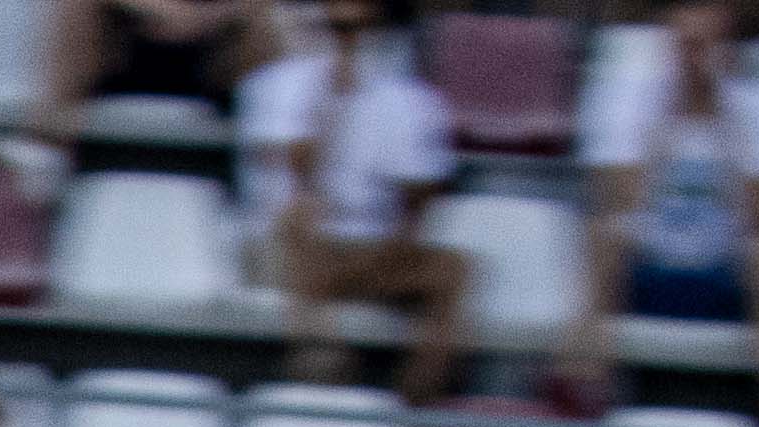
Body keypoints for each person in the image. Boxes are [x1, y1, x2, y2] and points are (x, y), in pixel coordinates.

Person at [236, 0, 466, 401]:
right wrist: (330, 104)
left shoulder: (411, 101)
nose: (347, 41)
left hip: (366, 251)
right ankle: (318, 354)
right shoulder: (273, 87)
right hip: (287, 247)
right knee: (299, 220)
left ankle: (414, 401)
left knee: (453, 269)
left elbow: (419, 197)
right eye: (337, 28)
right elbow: (297, 175)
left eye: (358, 29)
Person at [561, 0, 759, 402]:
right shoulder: (624, 101)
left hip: (727, 271)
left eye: (707, 46)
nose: (695, 60)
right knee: (602, 235)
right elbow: (623, 201)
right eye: (686, 46)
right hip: (646, 267)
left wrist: (725, 120)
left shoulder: (757, 107)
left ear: (727, 48)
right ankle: (579, 387)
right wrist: (667, 119)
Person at [37, 0, 254, 149]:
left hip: (206, 169)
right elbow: (59, 111)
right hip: (112, 165)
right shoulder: (90, 13)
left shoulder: (246, 19)